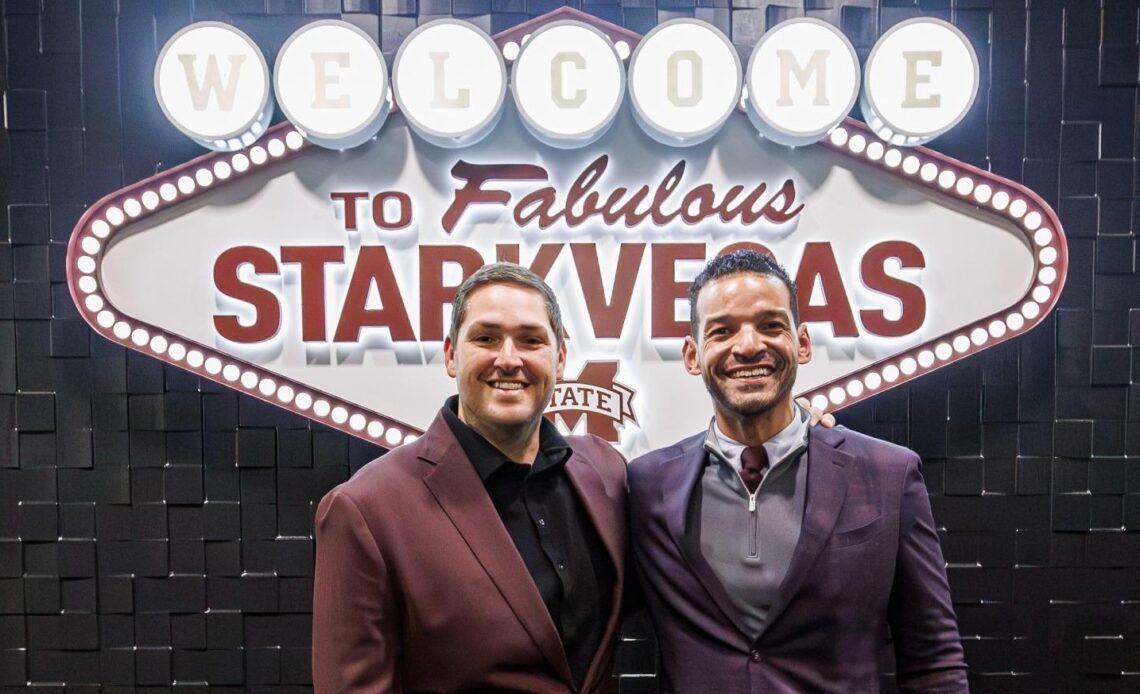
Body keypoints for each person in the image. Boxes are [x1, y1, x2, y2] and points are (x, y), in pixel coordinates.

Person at [627, 250, 968, 693]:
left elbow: (934, 661)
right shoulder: (647, 485)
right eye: (723, 330)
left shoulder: (888, 475)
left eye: (770, 325)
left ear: (802, 343)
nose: (748, 345)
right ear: (693, 355)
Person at [312, 263, 629, 693]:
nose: (509, 359)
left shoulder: (605, 473)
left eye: (531, 340)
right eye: (486, 338)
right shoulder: (366, 510)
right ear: (450, 356)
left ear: (560, 358)